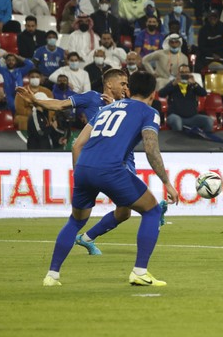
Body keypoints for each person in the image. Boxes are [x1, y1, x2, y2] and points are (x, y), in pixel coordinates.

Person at [41, 71, 178, 287]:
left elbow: (79, 143)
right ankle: (140, 272)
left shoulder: (105, 108)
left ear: (129, 89)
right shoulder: (149, 112)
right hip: (110, 169)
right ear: (153, 93)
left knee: (76, 220)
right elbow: (151, 149)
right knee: (152, 210)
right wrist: (167, 182)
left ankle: (52, 275)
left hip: (84, 167)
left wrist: (81, 175)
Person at [158, 64, 213, 133]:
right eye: (182, 72)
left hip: (192, 117)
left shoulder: (193, 85)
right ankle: (177, 142)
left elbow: (203, 93)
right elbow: (161, 94)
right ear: (178, 74)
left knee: (208, 121)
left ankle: (203, 140)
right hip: (175, 116)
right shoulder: (173, 84)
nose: (184, 74)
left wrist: (194, 83)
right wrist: (173, 84)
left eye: (186, 72)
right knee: (177, 122)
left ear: (189, 73)